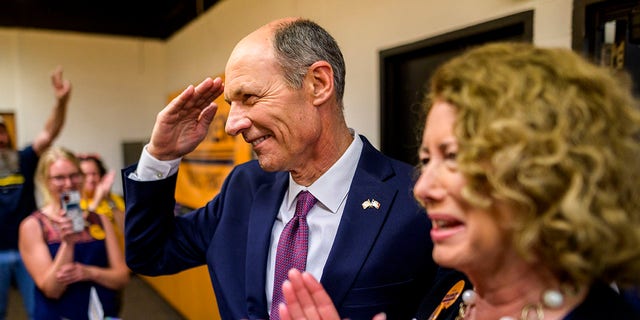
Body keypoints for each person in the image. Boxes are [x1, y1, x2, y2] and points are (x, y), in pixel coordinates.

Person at [277, 42, 640, 320]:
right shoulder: (450, 293)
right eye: (425, 160)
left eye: (453, 157)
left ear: (545, 171)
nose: (422, 189)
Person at [122, 17, 437, 319]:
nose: (233, 125)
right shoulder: (243, 187)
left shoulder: (419, 202)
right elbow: (149, 254)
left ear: (318, 84)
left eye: (249, 97)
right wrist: (161, 155)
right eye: (232, 105)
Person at [18, 147, 130, 320]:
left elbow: (122, 277)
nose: (69, 184)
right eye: (59, 178)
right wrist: (68, 244)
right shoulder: (33, 226)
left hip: (103, 313)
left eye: (74, 175)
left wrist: (89, 272)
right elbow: (52, 289)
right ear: (45, 181)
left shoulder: (99, 220)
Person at [0, 66, 71, 319]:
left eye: (2, 131)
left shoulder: (23, 159)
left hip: (29, 248)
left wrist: (61, 102)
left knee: (39, 309)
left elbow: (49, 132)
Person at [78, 153, 125, 248]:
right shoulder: (73, 201)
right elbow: (80, 231)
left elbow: (125, 229)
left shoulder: (114, 198)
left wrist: (108, 198)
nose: (90, 179)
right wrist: (97, 200)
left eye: (94, 174)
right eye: (85, 174)